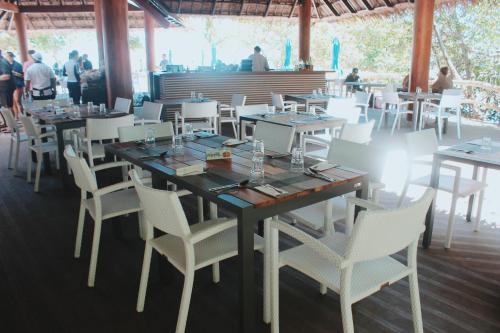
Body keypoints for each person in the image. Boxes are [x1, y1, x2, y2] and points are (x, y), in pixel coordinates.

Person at [5, 52, 24, 118]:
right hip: (10, 86)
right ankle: (16, 117)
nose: (6, 58)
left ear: (12, 57)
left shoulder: (18, 65)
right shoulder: (6, 65)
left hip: (18, 85)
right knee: (13, 102)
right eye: (6, 57)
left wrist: (14, 73)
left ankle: (22, 117)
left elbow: (22, 76)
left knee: (18, 101)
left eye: (8, 56)